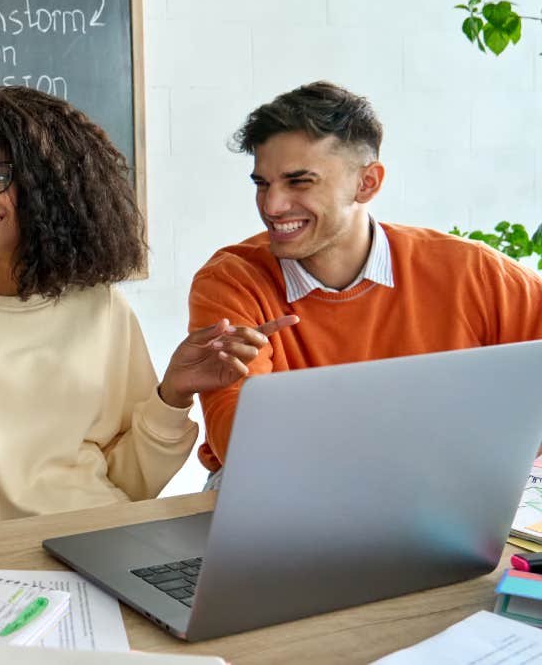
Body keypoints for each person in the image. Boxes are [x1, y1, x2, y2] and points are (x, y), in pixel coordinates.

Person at [0, 86, 294, 522]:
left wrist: (174, 394)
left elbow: (129, 484)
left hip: (103, 537)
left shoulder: (101, 305)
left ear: (48, 186)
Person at [188, 80, 542, 482]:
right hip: (280, 488)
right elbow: (241, 446)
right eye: (263, 183)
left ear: (367, 183)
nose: (272, 206)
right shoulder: (231, 281)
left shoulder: (475, 272)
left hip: (443, 484)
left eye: (299, 181)